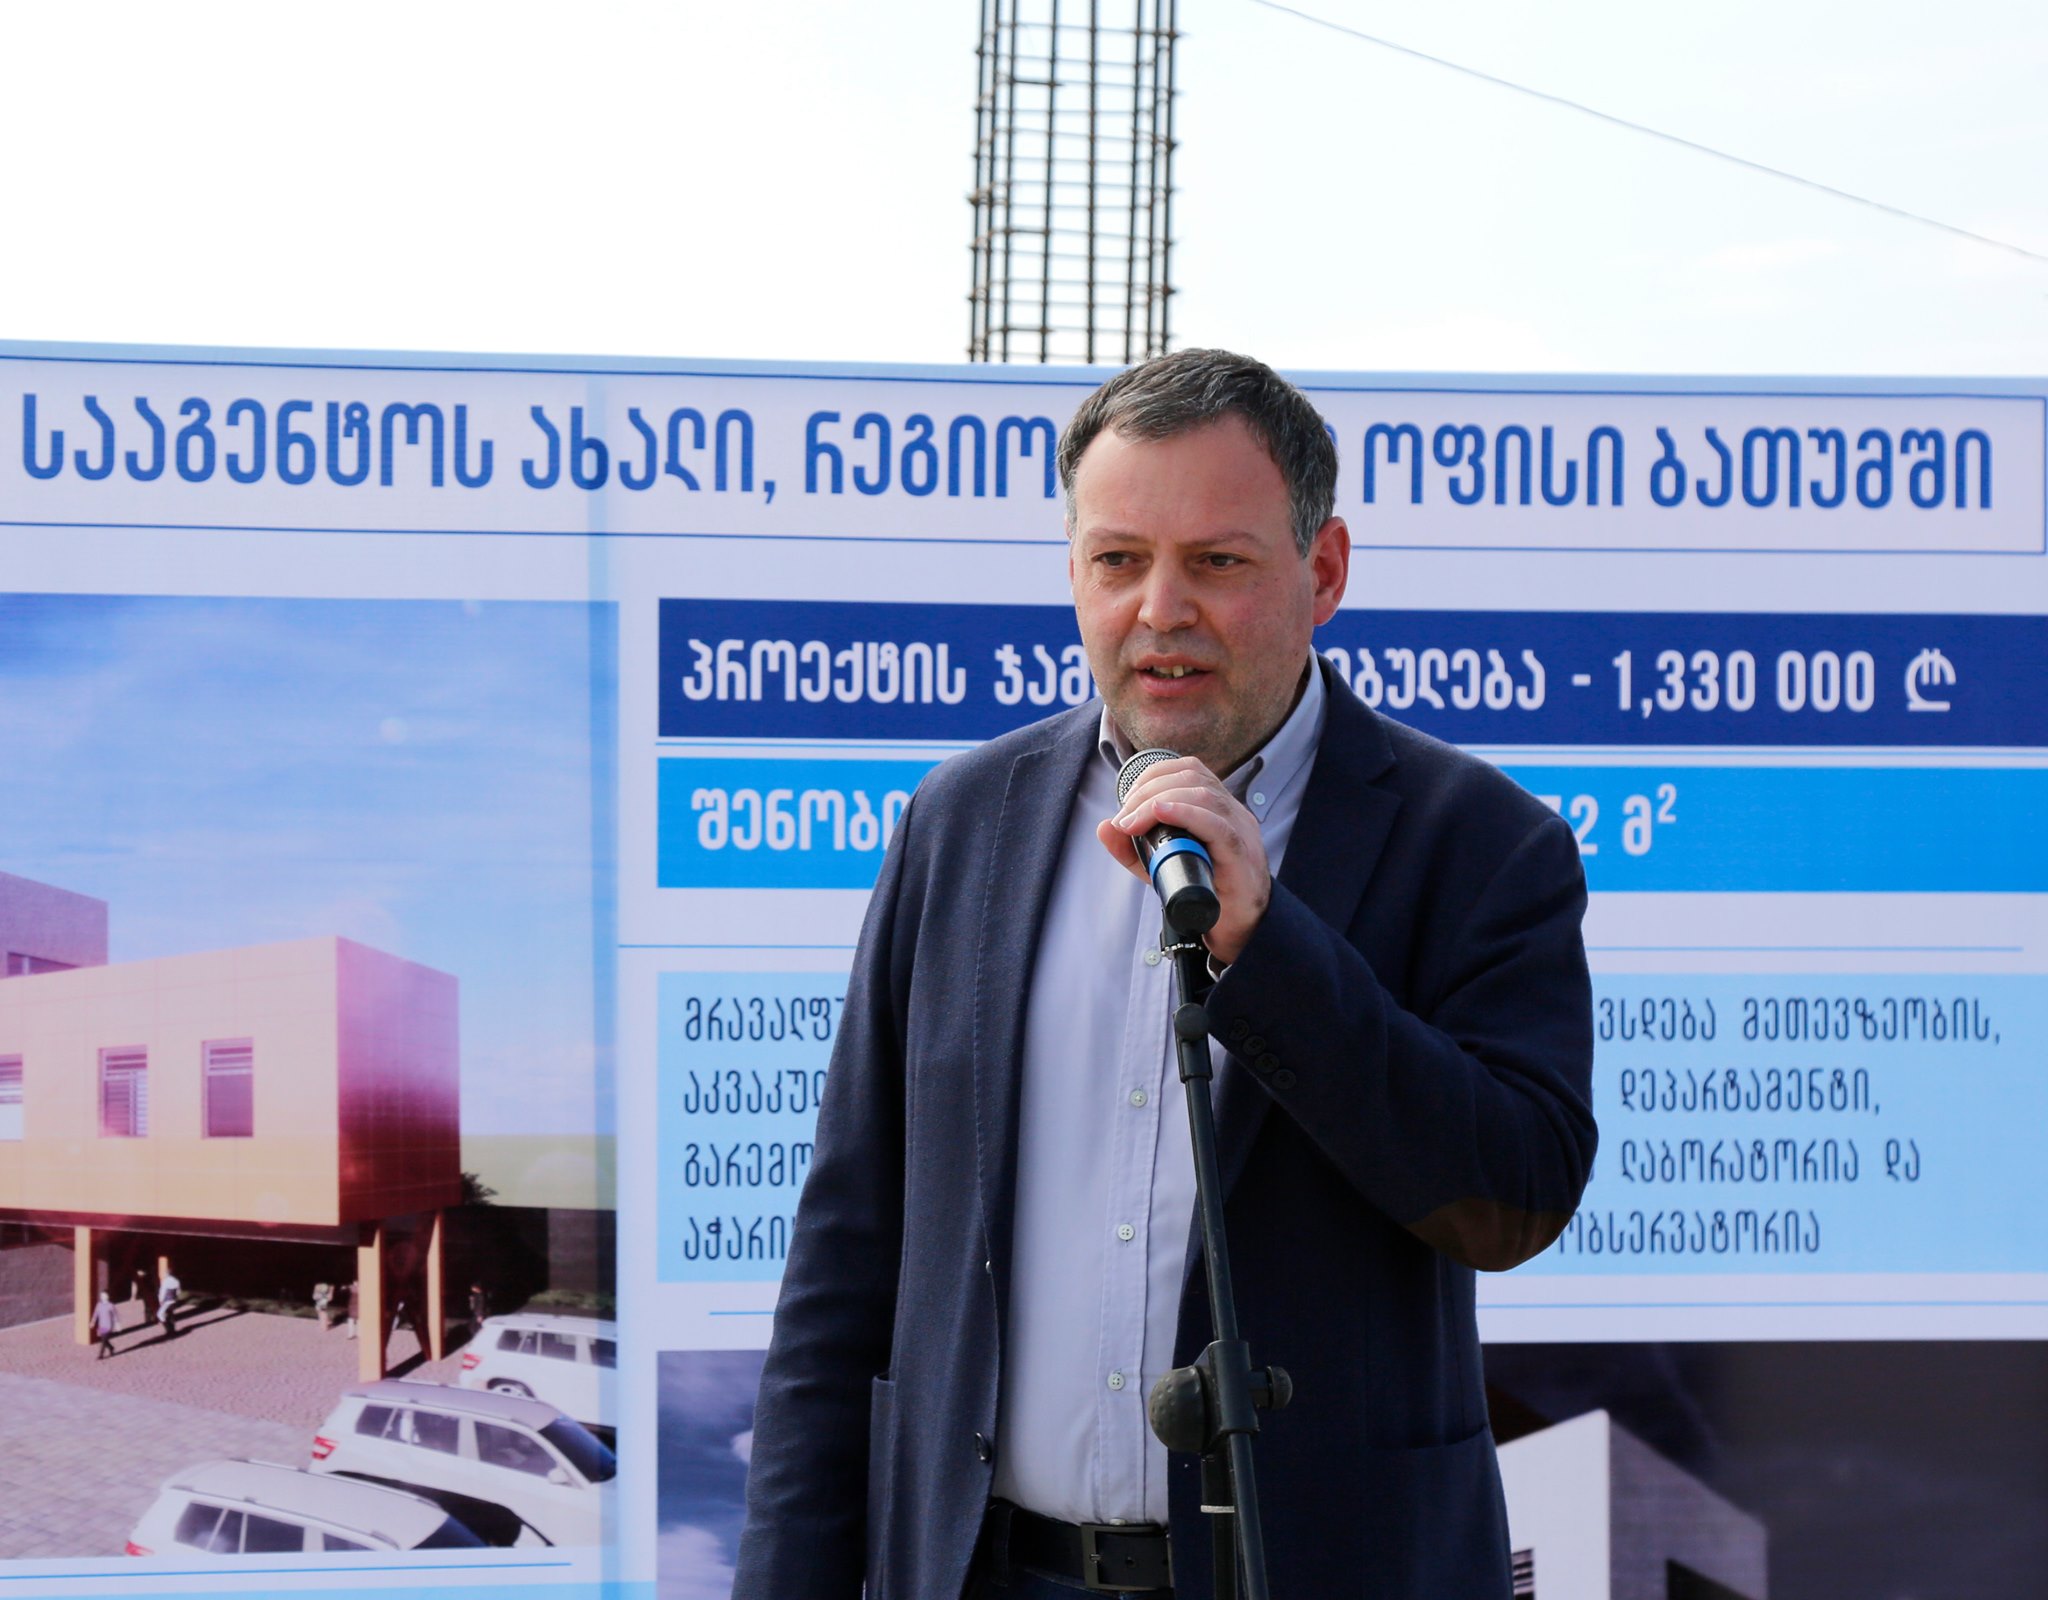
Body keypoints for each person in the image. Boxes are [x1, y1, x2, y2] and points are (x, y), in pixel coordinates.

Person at [733, 349, 1597, 1600]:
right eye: (1118, 559)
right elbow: (844, 1263)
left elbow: (1512, 1196)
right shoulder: (960, 822)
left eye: (1217, 562)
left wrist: (1271, 949)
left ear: (1323, 571)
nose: (1159, 608)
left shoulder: (1478, 842)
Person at [91, 1290, 119, 1359]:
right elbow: (95, 1314)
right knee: (103, 1339)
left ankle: (101, 1355)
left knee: (103, 1340)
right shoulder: (99, 1305)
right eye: (102, 1296)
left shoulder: (111, 1305)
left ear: (108, 1296)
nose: (103, 1297)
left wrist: (117, 1324)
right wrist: (92, 1322)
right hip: (101, 1325)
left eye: (105, 1295)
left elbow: (115, 1315)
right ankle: (111, 1347)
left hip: (108, 1325)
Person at [157, 1267, 181, 1339]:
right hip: (173, 1300)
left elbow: (162, 1292)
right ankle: (172, 1330)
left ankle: (168, 1329)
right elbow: (178, 1292)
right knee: (170, 1314)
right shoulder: (177, 1281)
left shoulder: (165, 1281)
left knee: (160, 1314)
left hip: (167, 1301)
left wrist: (160, 1300)